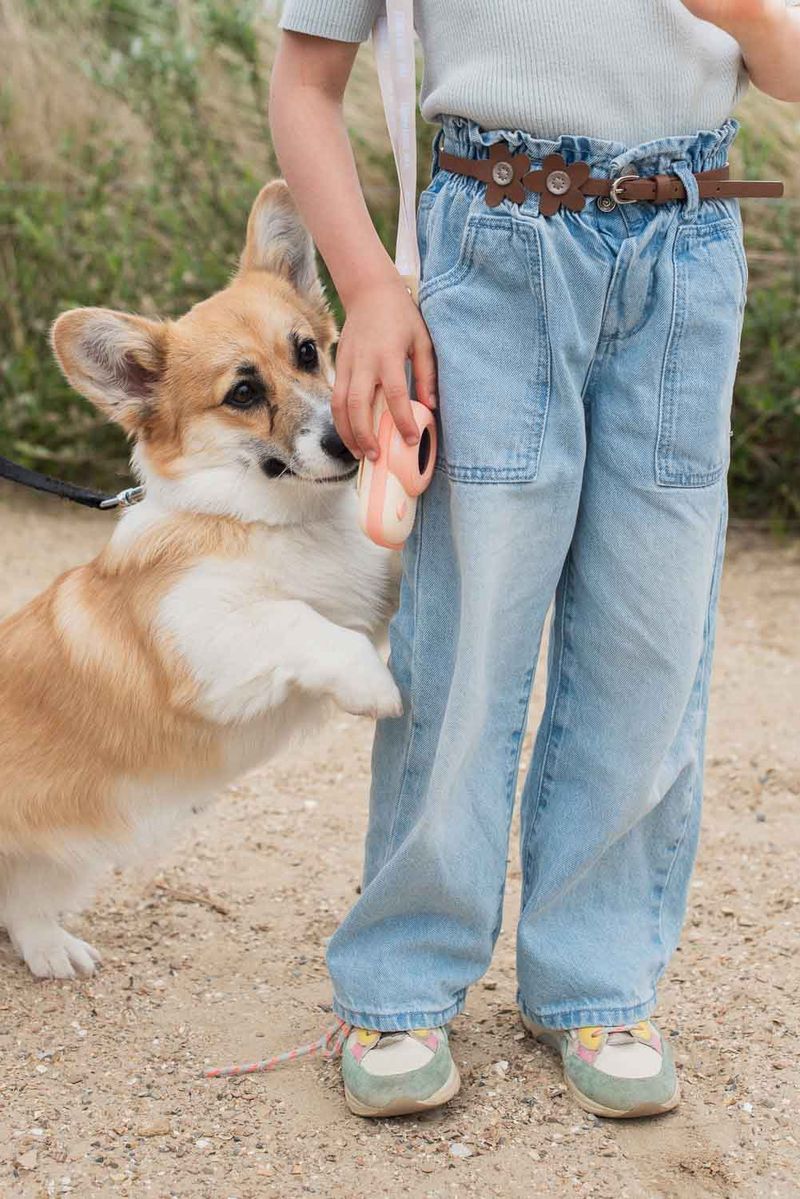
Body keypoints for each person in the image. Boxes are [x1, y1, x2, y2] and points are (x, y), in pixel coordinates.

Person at [269, 0, 799, 1119]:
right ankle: (402, 978)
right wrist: (367, 287)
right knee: (468, 632)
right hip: (496, 241)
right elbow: (305, 82)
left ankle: (598, 973)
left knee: (649, 636)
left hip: (687, 245)